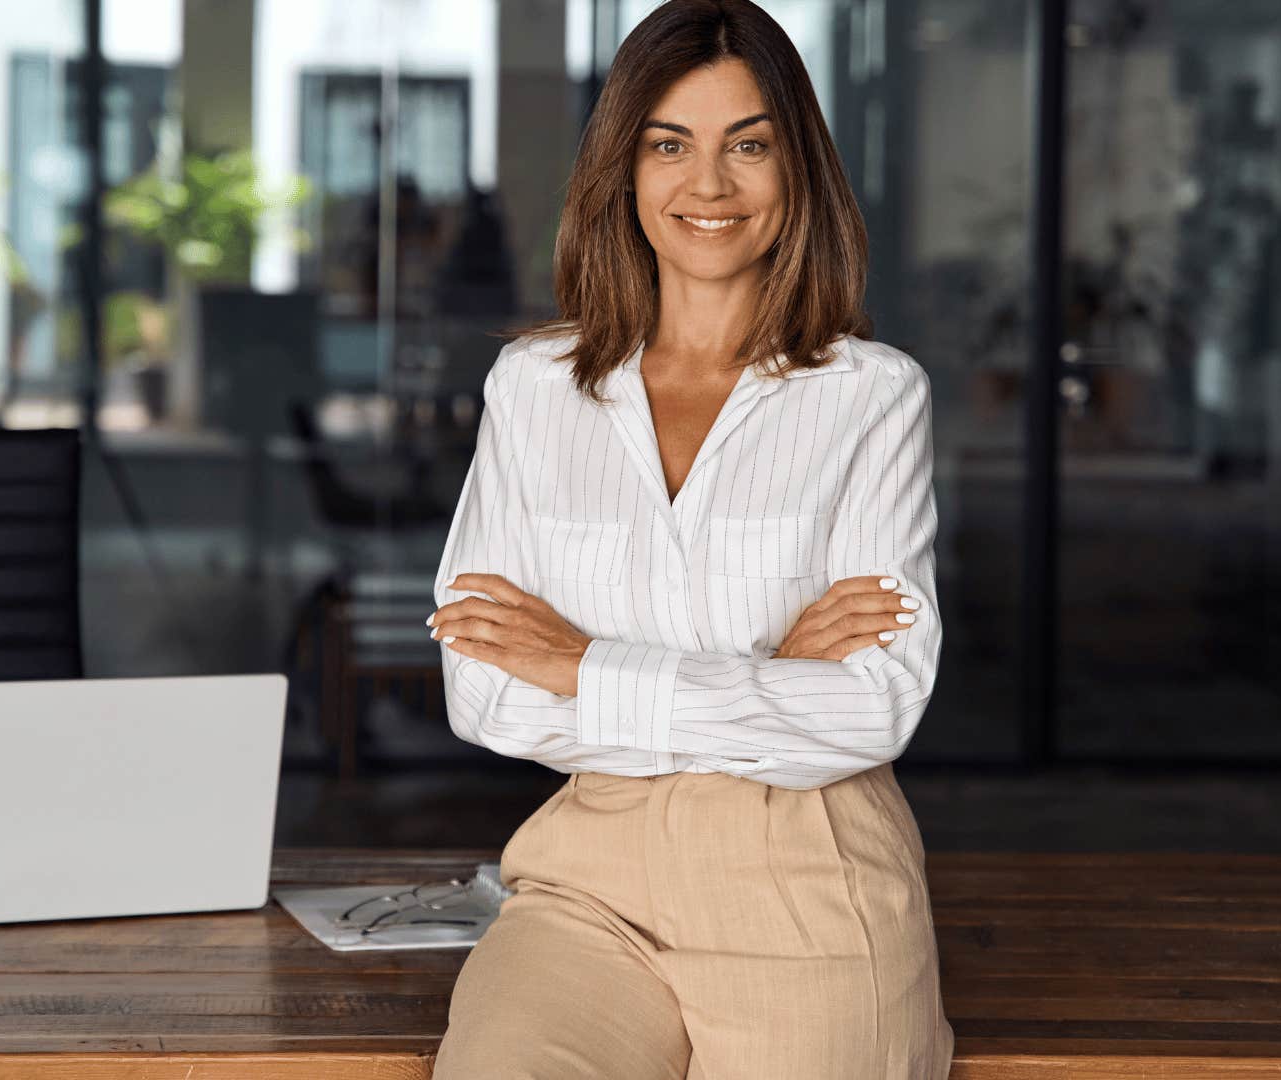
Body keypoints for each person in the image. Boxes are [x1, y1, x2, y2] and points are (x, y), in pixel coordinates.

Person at [424, 2, 953, 1076]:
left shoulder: (871, 398)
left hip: (810, 878)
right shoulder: (534, 392)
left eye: (747, 145)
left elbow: (877, 702)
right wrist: (764, 680)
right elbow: (482, 693)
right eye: (670, 143)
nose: (707, 186)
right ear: (623, 168)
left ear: (795, 170)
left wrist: (580, 666)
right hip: (589, 882)